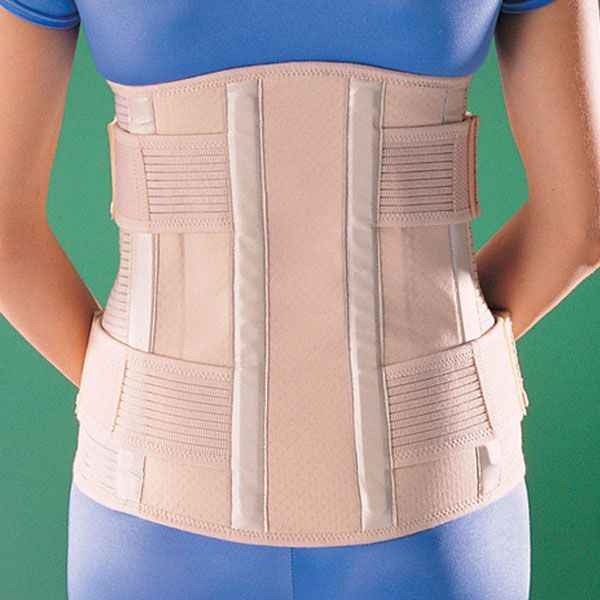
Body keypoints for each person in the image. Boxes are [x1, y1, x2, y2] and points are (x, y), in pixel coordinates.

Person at [0, 1, 598, 599]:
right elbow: (579, 226)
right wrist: (438, 375)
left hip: (155, 506)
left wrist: (145, 396)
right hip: (435, 494)